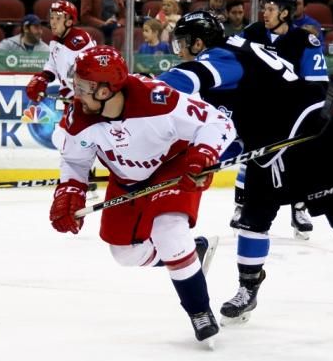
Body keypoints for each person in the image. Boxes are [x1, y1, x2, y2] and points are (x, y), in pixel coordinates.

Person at [158, 11, 333, 326]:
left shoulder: (224, 56)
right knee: (253, 219)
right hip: (271, 145)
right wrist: (211, 160)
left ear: (198, 42)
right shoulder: (233, 57)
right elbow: (231, 130)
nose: (178, 52)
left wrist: (138, 89)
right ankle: (248, 290)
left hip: (311, 136)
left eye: (181, 44)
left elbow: (185, 79)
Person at [49, 45, 236, 344]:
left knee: (168, 231)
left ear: (106, 90)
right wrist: (70, 189)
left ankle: (199, 311)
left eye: (85, 87)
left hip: (172, 167)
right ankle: (193, 252)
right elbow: (74, 161)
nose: (78, 93)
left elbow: (217, 121)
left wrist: (203, 153)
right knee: (125, 254)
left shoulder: (156, 98)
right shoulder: (79, 117)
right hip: (126, 180)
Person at [235, 0, 331, 239]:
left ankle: (299, 208)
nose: (264, 13)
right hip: (256, 110)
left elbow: (318, 84)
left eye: (270, 9)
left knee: (299, 160)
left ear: (285, 13)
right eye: (264, 8)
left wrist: (316, 114)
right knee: (251, 157)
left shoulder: (305, 41)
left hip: (290, 113)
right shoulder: (251, 33)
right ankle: (241, 206)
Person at [26, 0, 95, 108]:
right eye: (52, 17)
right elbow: (52, 63)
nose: (53, 22)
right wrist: (43, 78)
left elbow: (86, 73)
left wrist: (81, 95)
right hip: (72, 96)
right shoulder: (55, 41)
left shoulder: (79, 40)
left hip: (88, 99)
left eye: (58, 18)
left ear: (69, 22)